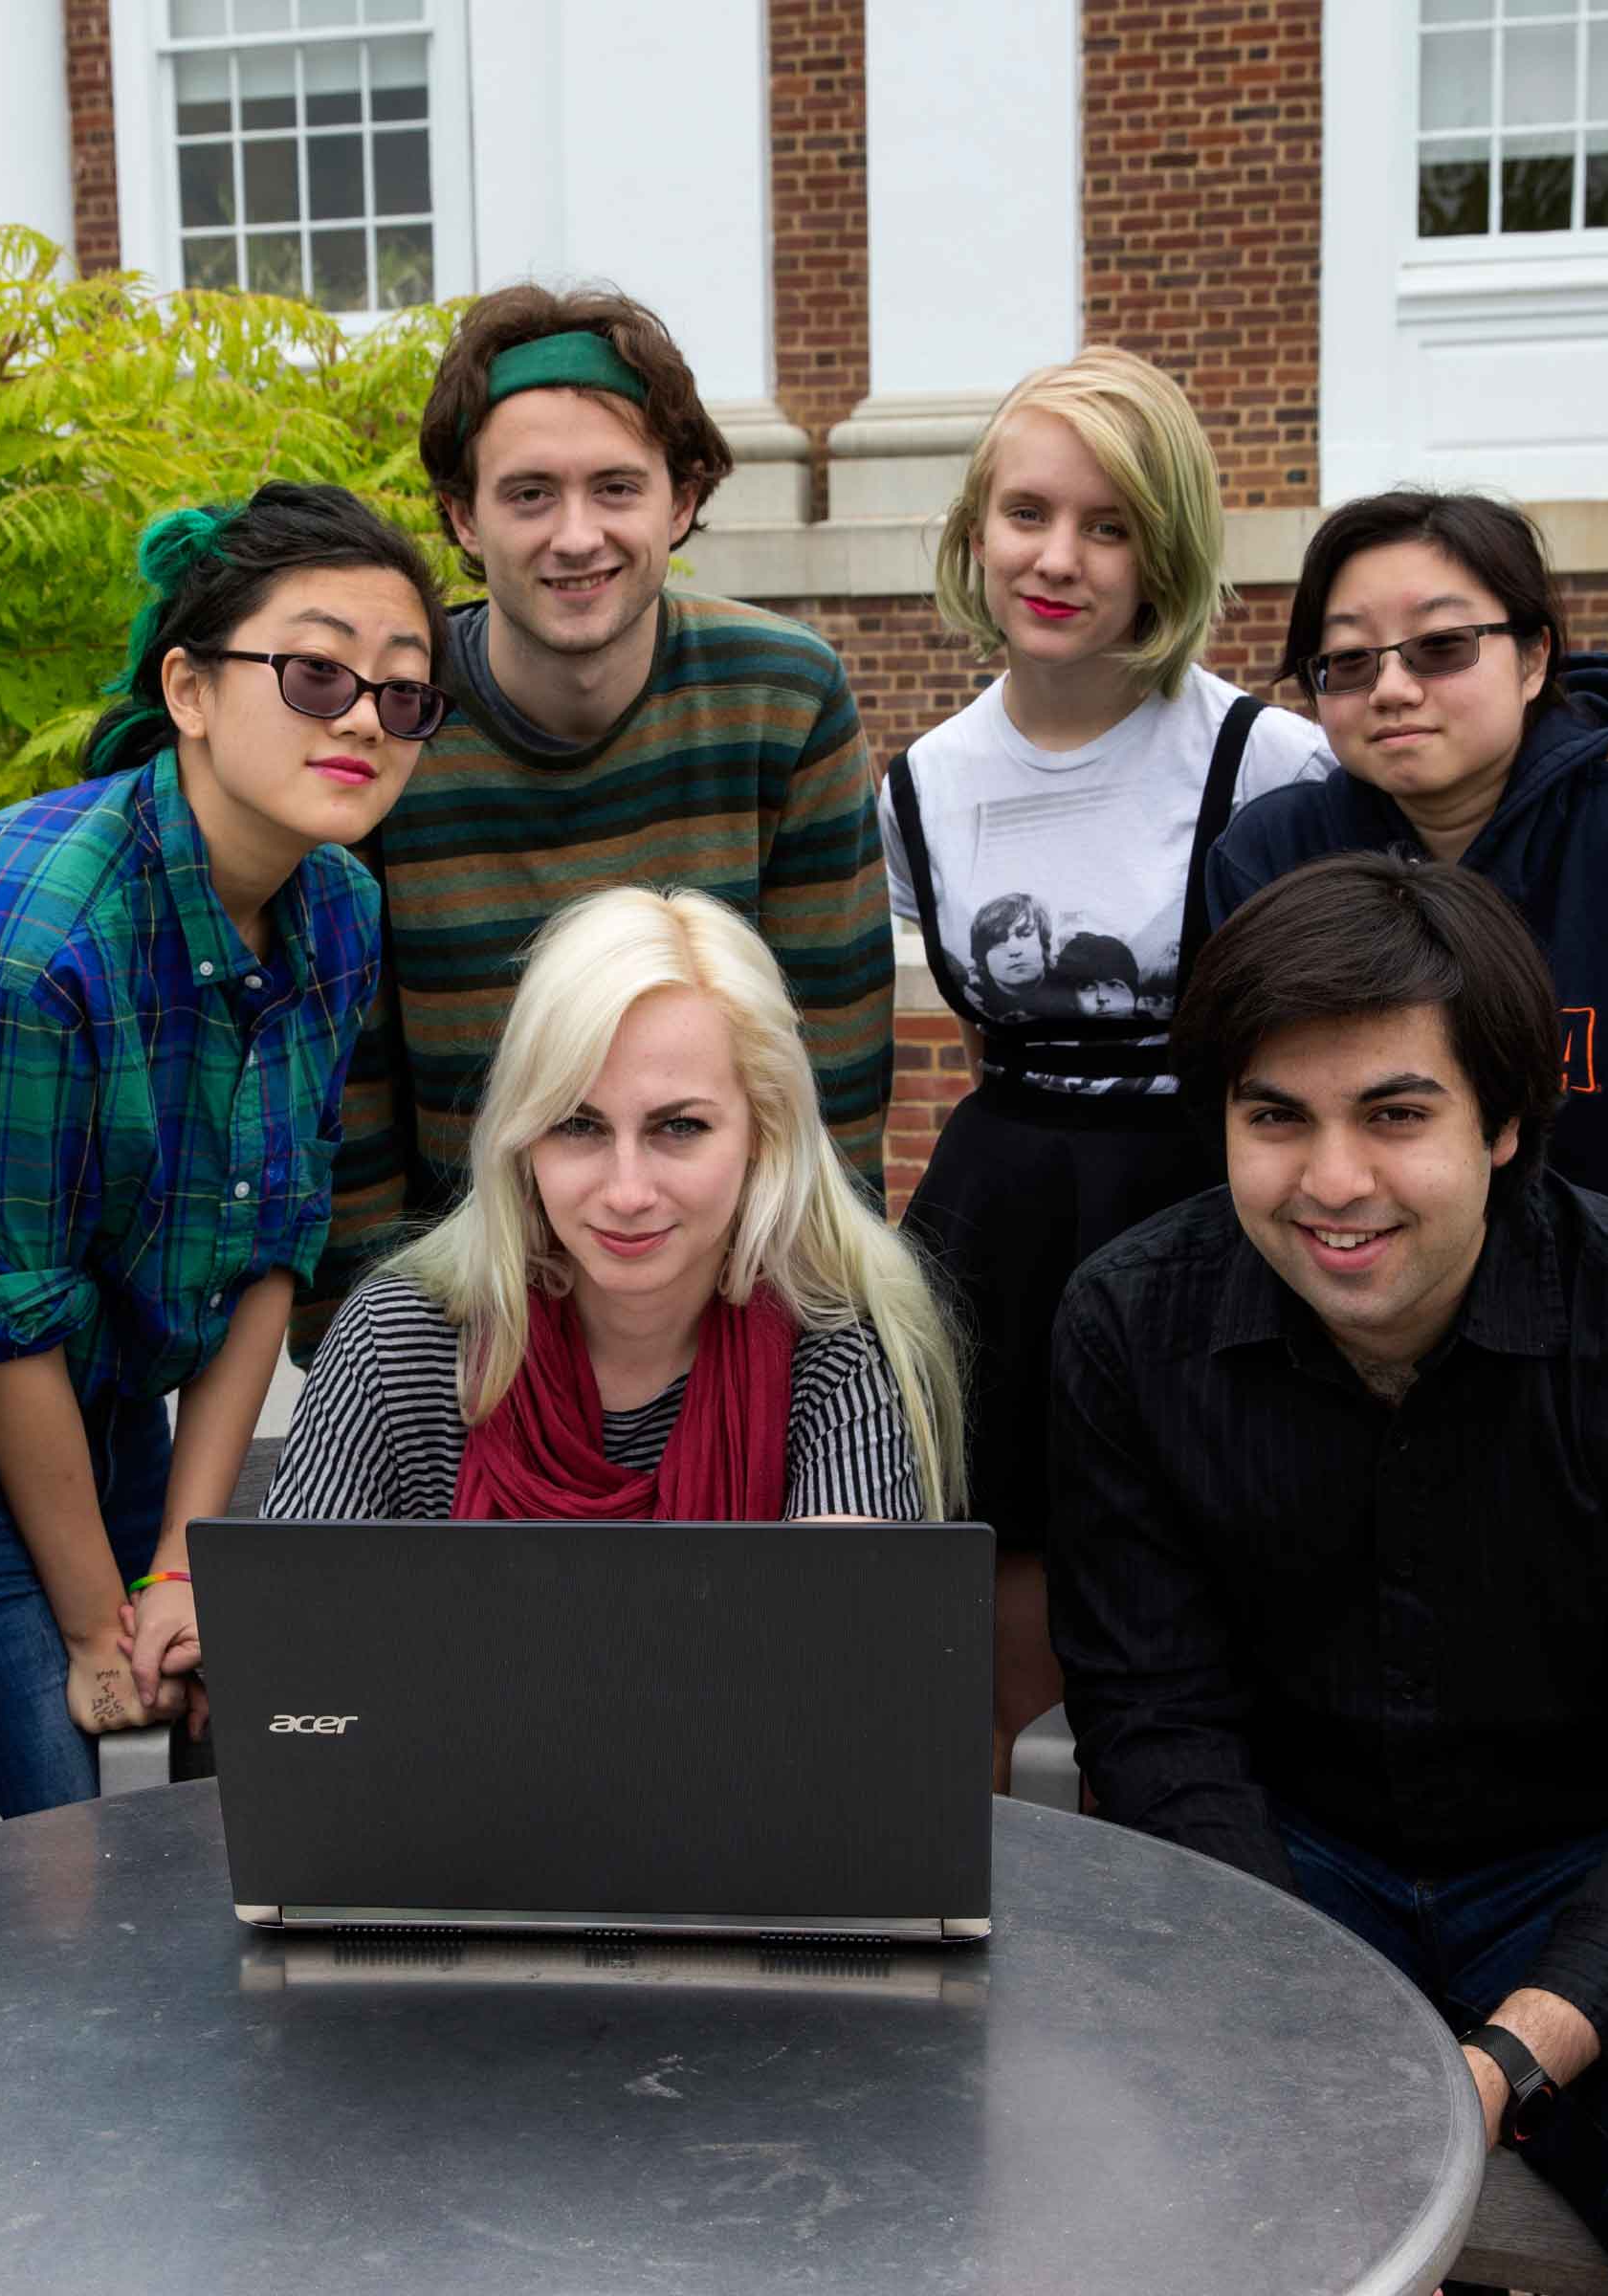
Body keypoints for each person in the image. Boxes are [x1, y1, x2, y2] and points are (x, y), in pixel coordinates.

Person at [1049, 851, 1608, 2290]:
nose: (1335, 1182)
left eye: (1396, 1115)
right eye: (1277, 1118)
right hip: (1285, 1862)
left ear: (1506, 1121)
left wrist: (1511, 2052)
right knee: (1079, 2168)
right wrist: (1297, 2007)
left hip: (1605, 1849)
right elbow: (1158, 1724)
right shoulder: (1128, 1329)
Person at [0, 483, 450, 1812]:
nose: (364, 721)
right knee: (58, 1810)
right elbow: (0, 1320)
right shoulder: (30, 936)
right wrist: (105, 1630)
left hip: (110, 1390)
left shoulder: (335, 910)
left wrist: (181, 1568)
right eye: (317, 672)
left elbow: (271, 1249)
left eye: (402, 693)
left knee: (239, 1741)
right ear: (192, 688)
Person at [1207, 486, 1608, 1488]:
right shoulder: (1270, 855)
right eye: (1346, 661)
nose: (1391, 688)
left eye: (1440, 647)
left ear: (1536, 656)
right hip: (1376, 1379)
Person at [877, 347, 1331, 1784]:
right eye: (1026, 513)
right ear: (974, 531)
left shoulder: (1273, 765)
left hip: (1210, 1207)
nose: (1057, 557)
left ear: (1166, 550)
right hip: (1001, 1216)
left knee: (1218, 1565)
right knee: (1004, 1573)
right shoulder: (920, 784)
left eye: (1109, 523)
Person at [301, 284, 894, 1356]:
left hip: (728, 1309)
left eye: (616, 486)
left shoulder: (782, 699)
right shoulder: (391, 720)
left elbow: (831, 1083)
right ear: (464, 519)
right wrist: (371, 1361)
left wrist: (813, 1349)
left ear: (681, 499)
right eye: (530, 494)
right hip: (468, 1315)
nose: (577, 536)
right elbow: (355, 1094)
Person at [247, 886, 959, 1553]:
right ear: (523, 1142)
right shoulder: (401, 1341)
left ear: (763, 1133)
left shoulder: (836, 1342)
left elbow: (844, 1665)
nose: (626, 1192)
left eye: (678, 1128)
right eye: (577, 1126)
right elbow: (292, 1650)